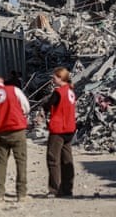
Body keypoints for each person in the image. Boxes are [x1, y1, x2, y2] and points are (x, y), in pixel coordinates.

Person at [0, 74, 30, 203]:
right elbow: (26, 107)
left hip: (1, 132)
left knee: (1, 163)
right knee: (21, 162)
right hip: (18, 130)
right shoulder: (14, 90)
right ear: (1, 81)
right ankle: (21, 193)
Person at [42, 66, 76, 198]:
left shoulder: (58, 92)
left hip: (58, 128)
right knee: (67, 159)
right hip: (69, 128)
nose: (52, 79)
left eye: (54, 77)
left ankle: (54, 189)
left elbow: (49, 104)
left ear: (60, 78)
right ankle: (67, 188)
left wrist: (43, 107)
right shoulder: (71, 91)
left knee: (53, 158)